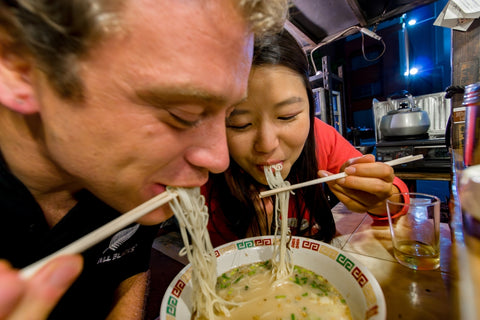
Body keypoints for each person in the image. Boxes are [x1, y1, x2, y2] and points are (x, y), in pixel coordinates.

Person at [0, 1, 288, 319]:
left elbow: (128, 267)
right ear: (19, 65)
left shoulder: (126, 178)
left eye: (230, 115)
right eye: (183, 114)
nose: (220, 159)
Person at [203, 29, 409, 248]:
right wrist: (256, 236)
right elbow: (220, 264)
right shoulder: (205, 172)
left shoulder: (321, 137)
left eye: (287, 116)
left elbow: (398, 197)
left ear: (310, 108)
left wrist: (382, 199)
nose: (266, 144)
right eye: (240, 124)